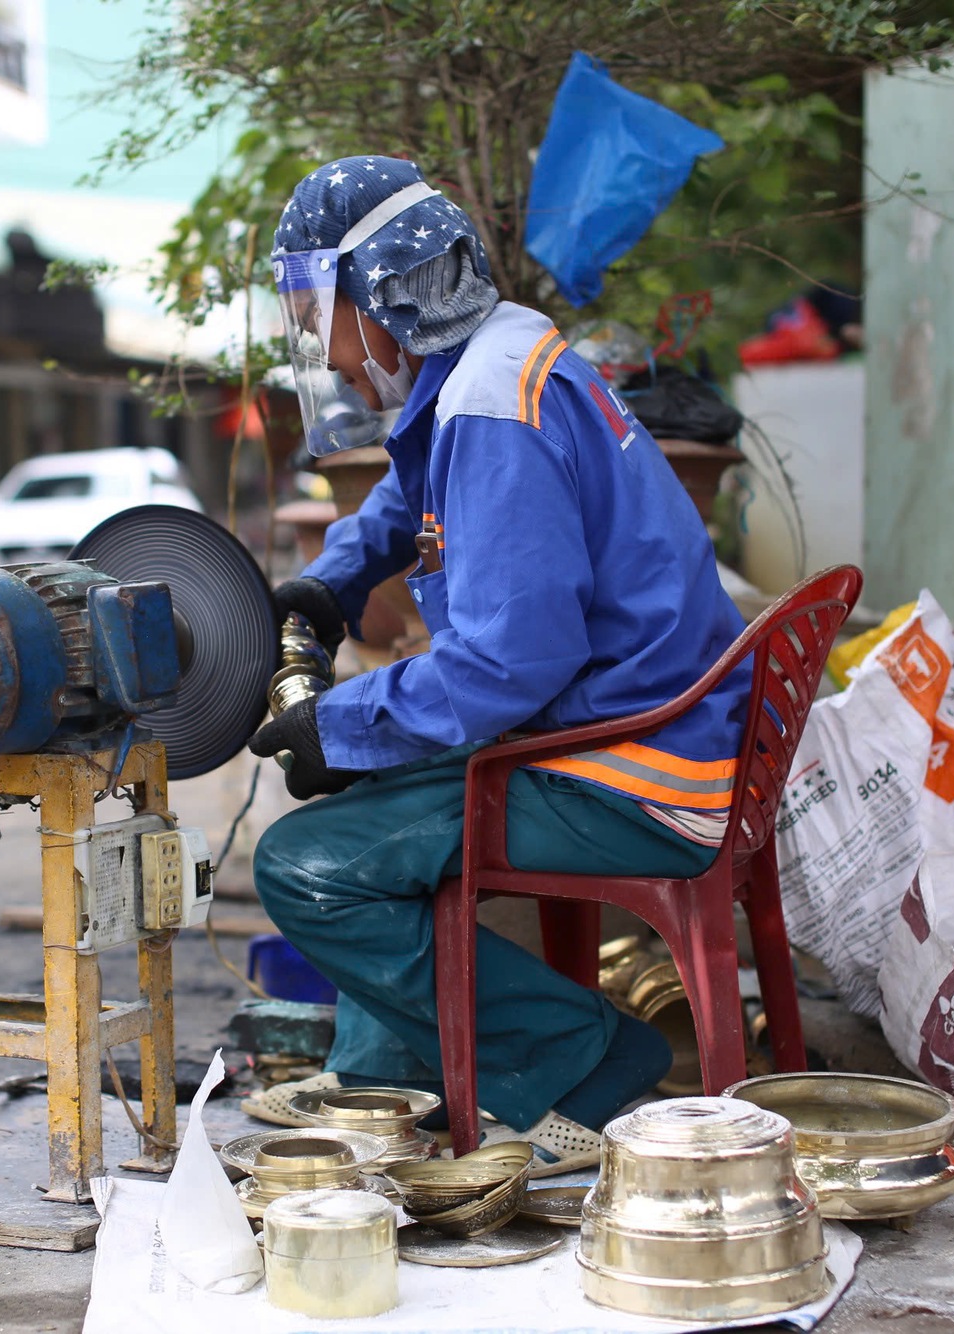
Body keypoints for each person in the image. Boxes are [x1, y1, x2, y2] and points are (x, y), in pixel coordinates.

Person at [243, 158, 754, 1173]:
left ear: (381, 290)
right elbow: (404, 502)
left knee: (307, 865)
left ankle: (583, 1055)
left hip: (628, 769)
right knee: (360, 819)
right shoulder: (498, 357)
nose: (314, 340)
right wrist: (326, 587)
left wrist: (336, 724)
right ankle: (393, 1077)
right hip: (636, 722)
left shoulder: (488, 412)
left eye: (316, 304)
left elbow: (505, 666)